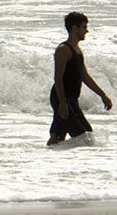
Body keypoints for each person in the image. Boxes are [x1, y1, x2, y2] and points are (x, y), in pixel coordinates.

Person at [48, 11, 113, 145]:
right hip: (63, 99)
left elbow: (85, 76)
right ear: (74, 28)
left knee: (57, 138)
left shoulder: (77, 50)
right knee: (85, 138)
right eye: (84, 27)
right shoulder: (63, 50)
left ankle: (50, 158)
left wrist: (103, 95)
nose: (87, 31)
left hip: (72, 100)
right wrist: (62, 102)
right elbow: (58, 78)